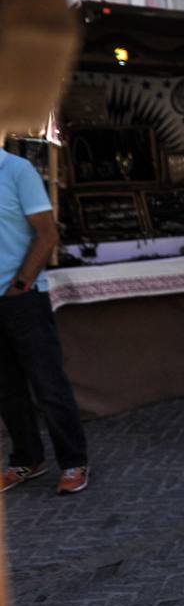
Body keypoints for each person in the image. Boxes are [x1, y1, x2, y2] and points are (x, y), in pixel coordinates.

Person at [0, 149, 89, 495]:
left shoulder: (17, 170)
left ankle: (73, 461)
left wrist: (21, 283)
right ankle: (27, 459)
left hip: (22, 299)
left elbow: (47, 233)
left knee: (48, 385)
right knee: (7, 390)